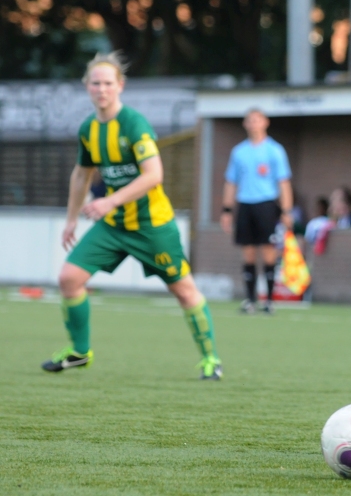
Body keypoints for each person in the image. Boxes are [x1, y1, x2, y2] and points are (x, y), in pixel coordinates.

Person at [41, 52, 223, 380]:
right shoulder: (89, 129)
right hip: (113, 226)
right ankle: (80, 352)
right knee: (69, 278)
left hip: (152, 226)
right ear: (87, 87)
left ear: (120, 86)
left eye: (108, 83)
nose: (101, 89)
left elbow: (154, 175)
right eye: (95, 83)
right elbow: (82, 175)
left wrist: (109, 202)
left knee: (183, 291)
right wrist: (71, 219)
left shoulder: (134, 124)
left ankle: (211, 359)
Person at [221, 109, 293, 314]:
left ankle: (269, 301)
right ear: (245, 124)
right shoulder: (239, 152)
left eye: (257, 120)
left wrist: (286, 210)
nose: (253, 124)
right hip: (245, 204)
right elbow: (231, 182)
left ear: (265, 122)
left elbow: (284, 182)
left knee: (268, 251)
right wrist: (227, 210)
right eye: (249, 121)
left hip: (267, 204)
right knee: (248, 252)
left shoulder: (274, 150)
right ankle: (250, 300)